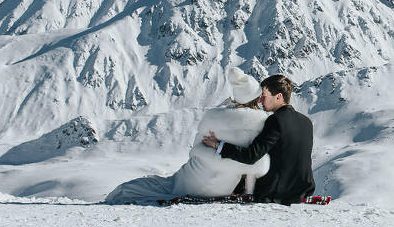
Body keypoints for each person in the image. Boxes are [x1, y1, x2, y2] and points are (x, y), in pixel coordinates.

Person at [104, 68, 268, 204]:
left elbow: (196, 147)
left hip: (195, 177)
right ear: (255, 99)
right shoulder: (261, 123)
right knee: (161, 186)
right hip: (223, 186)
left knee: (150, 186)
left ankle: (116, 195)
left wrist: (212, 151)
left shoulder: (214, 117)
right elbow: (255, 162)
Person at [202, 74, 315, 205]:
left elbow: (251, 156)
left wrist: (218, 145)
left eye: (264, 96)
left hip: (276, 192)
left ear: (278, 97)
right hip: (302, 191)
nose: (260, 101)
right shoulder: (306, 122)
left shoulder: (275, 120)